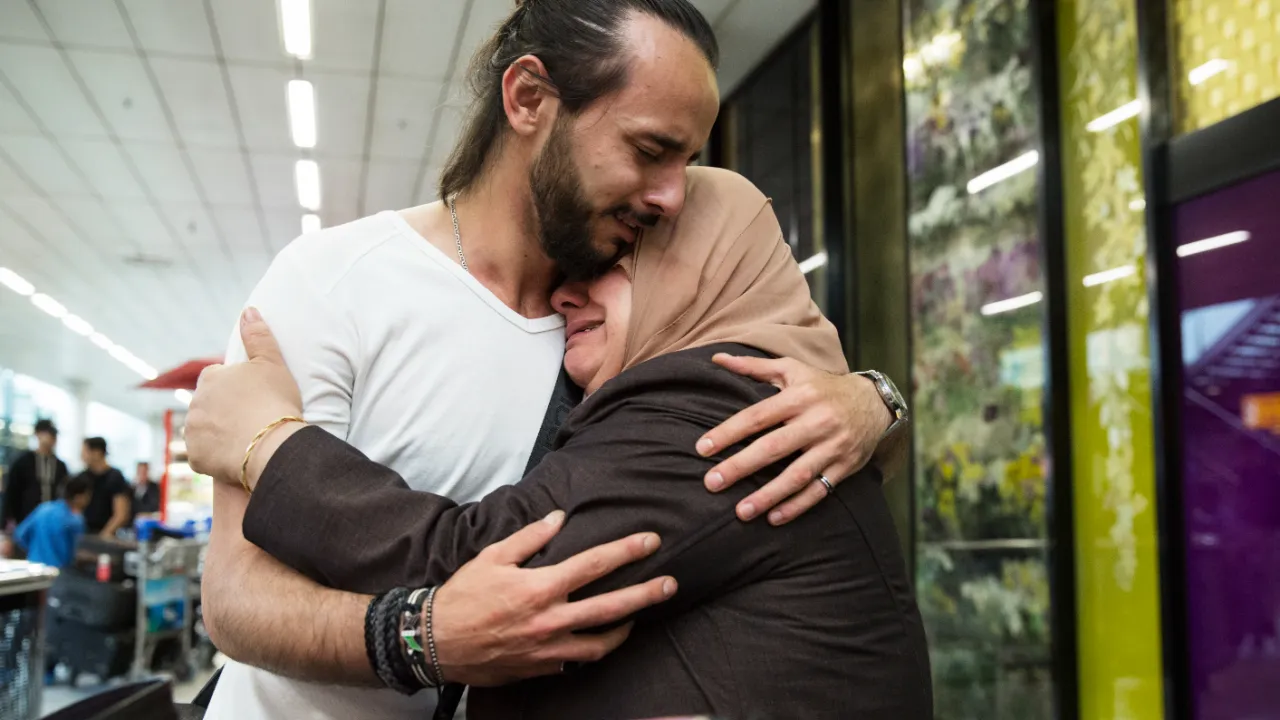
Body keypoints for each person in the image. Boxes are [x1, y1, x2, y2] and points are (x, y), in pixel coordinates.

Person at [189, 2, 905, 718]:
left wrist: (875, 401)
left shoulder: (619, 345)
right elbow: (234, 598)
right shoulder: (336, 278)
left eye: (687, 163)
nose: (671, 195)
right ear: (528, 97)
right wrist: (419, 639)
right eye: (650, 150)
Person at [2, 419, 69, 532]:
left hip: (53, 523)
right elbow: (11, 491)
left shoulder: (60, 466)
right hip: (25, 520)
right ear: (37, 434)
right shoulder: (23, 462)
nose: (51, 438)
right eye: (48, 433)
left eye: (54, 435)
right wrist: (8, 520)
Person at [14, 475, 91, 569]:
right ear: (79, 497)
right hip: (60, 573)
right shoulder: (76, 520)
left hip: (33, 568)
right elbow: (78, 553)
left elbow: (20, 534)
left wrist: (35, 551)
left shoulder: (43, 508)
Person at [77, 438, 131, 538]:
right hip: (82, 534)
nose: (82, 456)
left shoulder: (115, 477)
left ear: (97, 452)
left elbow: (121, 513)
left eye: (85, 451)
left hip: (107, 534)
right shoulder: (82, 477)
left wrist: (105, 534)